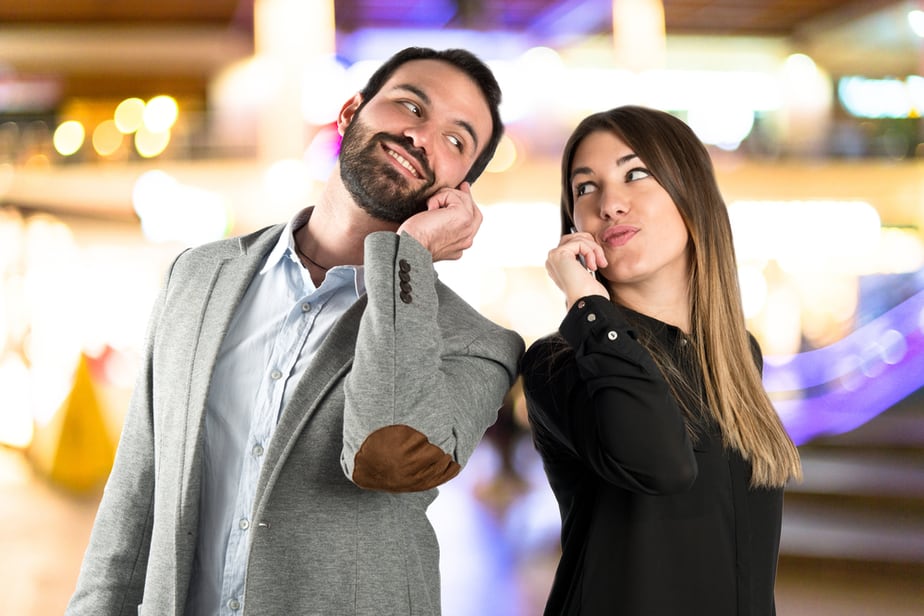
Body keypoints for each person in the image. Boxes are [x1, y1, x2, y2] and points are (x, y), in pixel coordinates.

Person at [67, 47, 524, 616]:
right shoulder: (198, 277)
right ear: (350, 111)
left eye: (455, 140)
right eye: (410, 106)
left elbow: (383, 457)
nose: (421, 137)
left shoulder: (478, 346)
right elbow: (136, 494)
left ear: (460, 190)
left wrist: (409, 254)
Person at [520, 105, 802, 616]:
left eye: (635, 174)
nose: (610, 205)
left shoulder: (738, 355)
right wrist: (589, 309)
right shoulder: (561, 363)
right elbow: (661, 463)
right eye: (586, 188)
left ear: (689, 191)